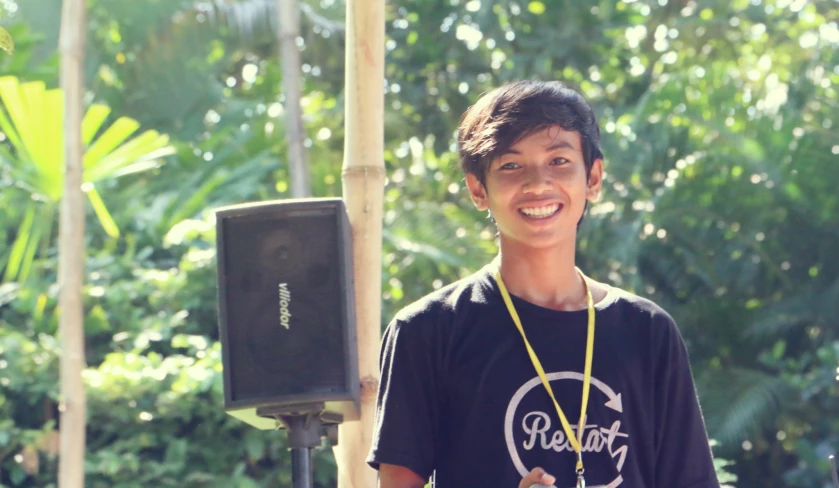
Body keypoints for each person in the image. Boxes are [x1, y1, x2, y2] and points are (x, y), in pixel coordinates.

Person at [366, 80, 721, 488]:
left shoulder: (647, 330)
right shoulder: (426, 331)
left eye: (558, 161)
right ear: (478, 189)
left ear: (593, 177)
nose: (537, 184)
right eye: (511, 165)